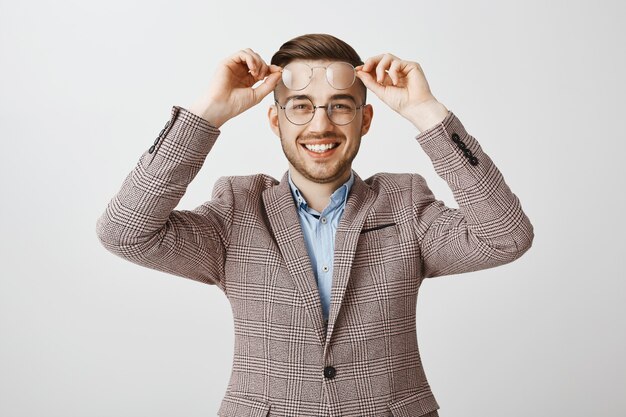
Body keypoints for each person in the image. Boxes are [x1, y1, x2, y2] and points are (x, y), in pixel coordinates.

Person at [96, 33, 534, 417]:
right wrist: (206, 114)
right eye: (300, 107)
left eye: (340, 107)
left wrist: (426, 113)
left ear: (364, 119)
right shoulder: (236, 212)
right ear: (275, 120)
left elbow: (507, 238)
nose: (320, 124)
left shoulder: (405, 205)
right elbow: (125, 232)